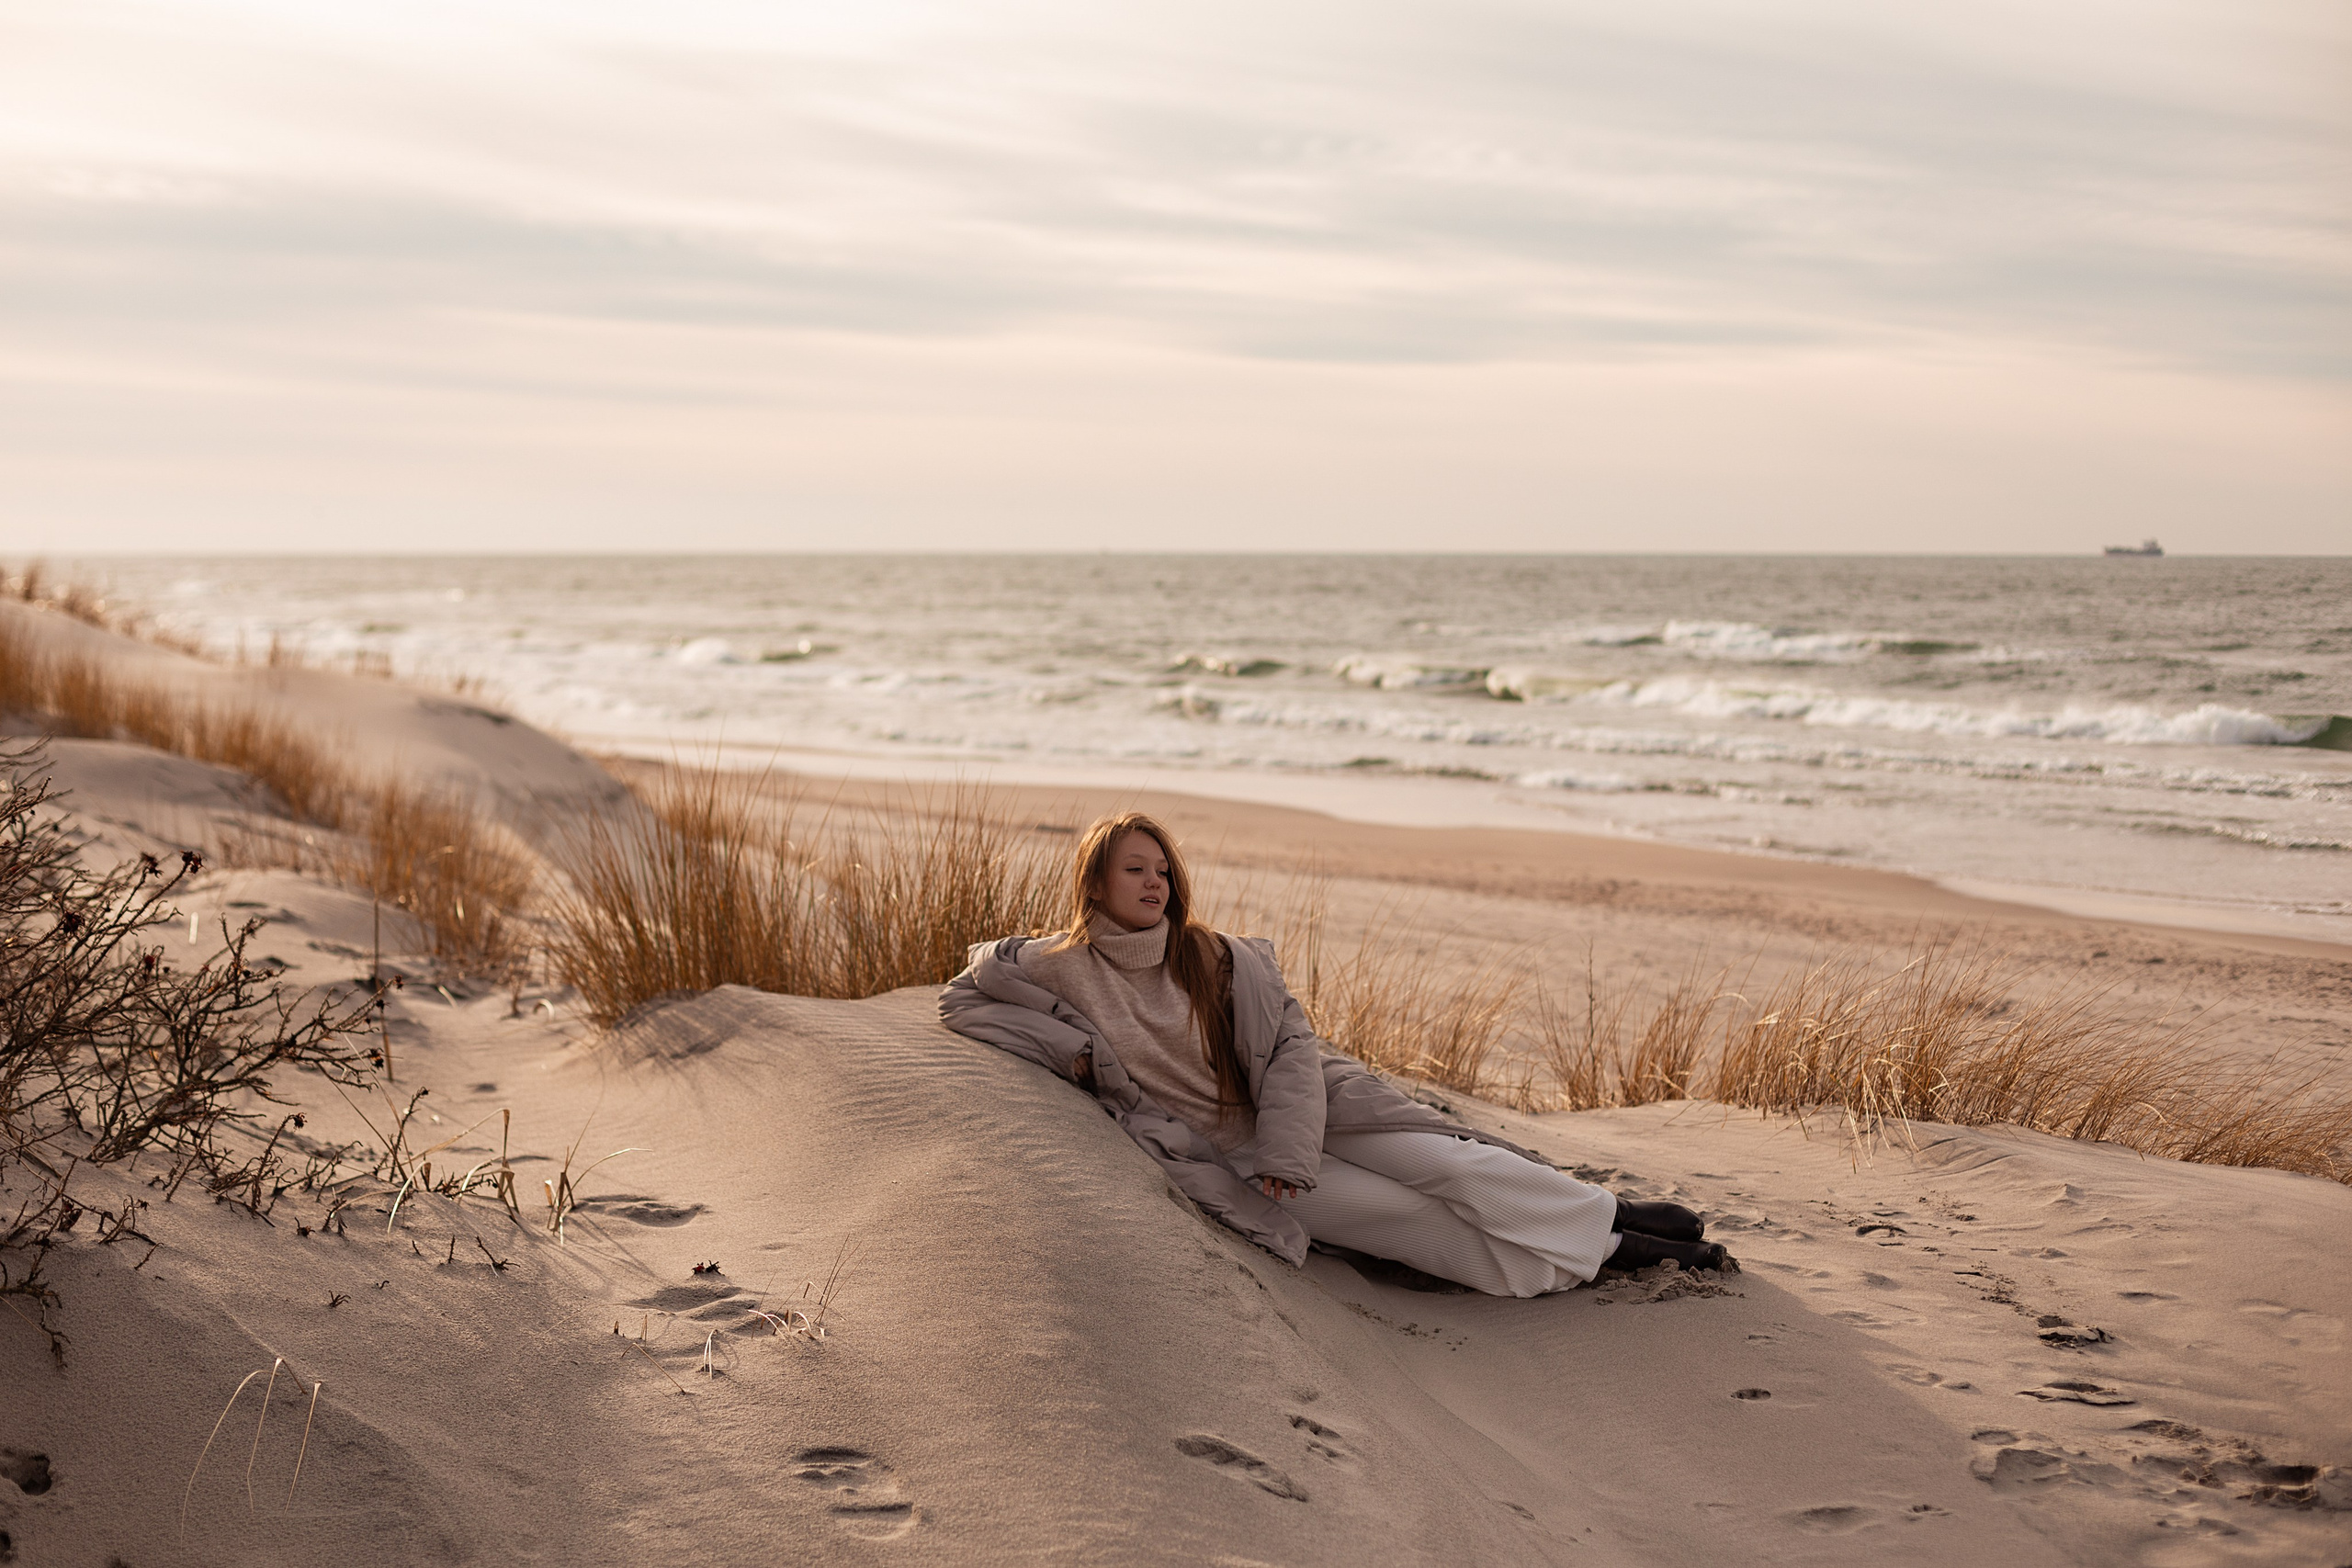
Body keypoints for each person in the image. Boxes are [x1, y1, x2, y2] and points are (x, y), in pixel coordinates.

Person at [938, 811, 1734, 1296]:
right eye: (1135, 870)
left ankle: (1609, 1211)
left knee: (1452, 1167)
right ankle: (1618, 1255)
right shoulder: (1058, 965)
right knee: (1416, 1222)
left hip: (1311, 1109)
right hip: (1232, 1156)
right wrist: (1072, 1049)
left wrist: (1289, 1141)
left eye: (1165, 871)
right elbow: (962, 995)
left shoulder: (1210, 953)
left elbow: (1288, 1039)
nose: (1156, 885)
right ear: (1095, 883)